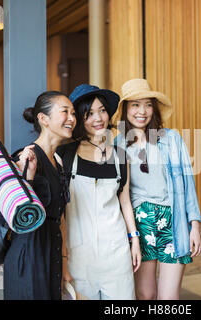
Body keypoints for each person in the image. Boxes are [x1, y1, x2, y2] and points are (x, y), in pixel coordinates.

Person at [113, 78, 201, 300]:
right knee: (145, 294)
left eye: (148, 104)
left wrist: (195, 225)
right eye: (135, 105)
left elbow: (187, 184)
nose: (142, 111)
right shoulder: (117, 144)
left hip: (173, 221)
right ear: (126, 109)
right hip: (139, 223)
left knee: (169, 298)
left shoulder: (171, 139)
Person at [56, 84, 141, 300]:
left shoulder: (121, 156)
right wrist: (63, 258)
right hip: (78, 255)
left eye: (102, 110)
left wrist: (135, 240)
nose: (98, 118)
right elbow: (59, 212)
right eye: (89, 113)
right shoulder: (64, 155)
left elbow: (125, 202)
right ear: (78, 119)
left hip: (116, 253)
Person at [3, 91, 76, 300]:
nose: (72, 118)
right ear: (43, 119)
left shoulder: (59, 162)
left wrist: (63, 263)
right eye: (65, 112)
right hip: (29, 256)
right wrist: (29, 178)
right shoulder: (25, 157)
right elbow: (13, 215)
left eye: (73, 113)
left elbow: (59, 217)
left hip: (51, 254)